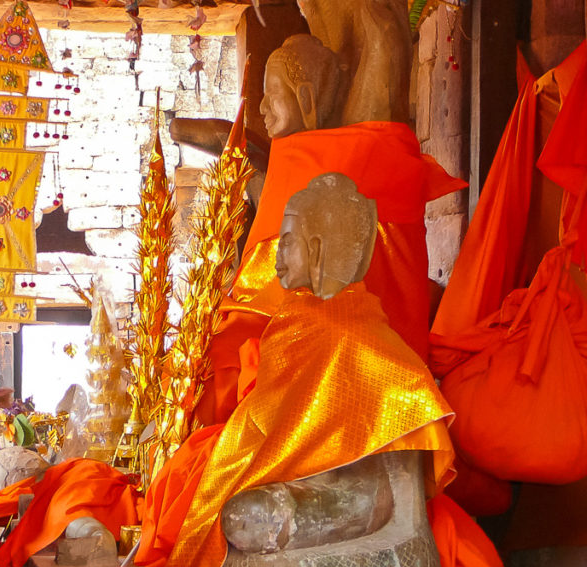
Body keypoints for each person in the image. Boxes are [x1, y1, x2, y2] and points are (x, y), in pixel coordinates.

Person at [136, 173, 456, 567]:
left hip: (341, 509)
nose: (276, 256)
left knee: (247, 523)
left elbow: (393, 500)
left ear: (318, 250)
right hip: (289, 495)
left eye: (286, 242)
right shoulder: (297, 323)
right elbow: (265, 427)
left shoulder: (370, 346)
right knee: (235, 513)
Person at [196, 34, 466, 427]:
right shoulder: (289, 166)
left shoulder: (328, 168)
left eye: (273, 94)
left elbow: (259, 292)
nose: (263, 108)